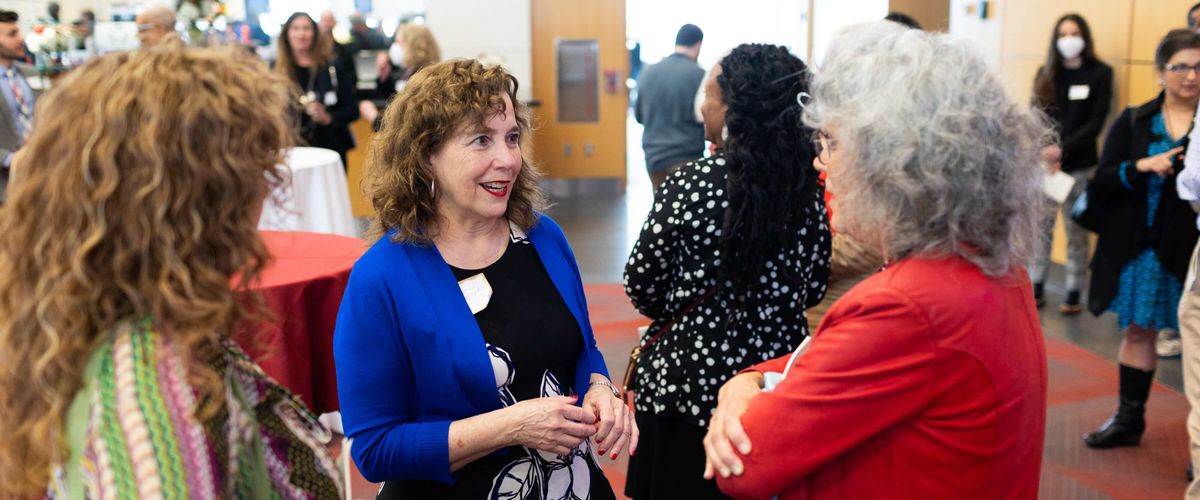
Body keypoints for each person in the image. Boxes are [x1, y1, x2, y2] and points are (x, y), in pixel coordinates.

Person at [704, 22, 1049, 499]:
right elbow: (829, 359)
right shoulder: (989, 265)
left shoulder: (909, 304)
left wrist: (739, 391)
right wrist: (752, 378)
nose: (820, 162)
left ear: (894, 164)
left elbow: (743, 465)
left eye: (833, 142)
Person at [0, 46, 343, 499]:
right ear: (197, 199)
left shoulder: (107, 319)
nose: (266, 189)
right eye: (251, 170)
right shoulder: (152, 394)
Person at [334, 59, 633, 498]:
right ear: (426, 157)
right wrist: (512, 426)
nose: (508, 159)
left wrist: (600, 387)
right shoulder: (382, 278)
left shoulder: (542, 238)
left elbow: (582, 346)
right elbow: (376, 448)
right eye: (481, 141)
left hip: (569, 484)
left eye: (512, 138)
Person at [623, 43, 830, 500]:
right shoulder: (806, 192)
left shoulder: (688, 184)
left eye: (711, 93)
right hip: (771, 391)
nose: (702, 104)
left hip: (681, 387)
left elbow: (642, 284)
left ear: (735, 108)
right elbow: (814, 285)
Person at [1082, 29, 1200, 449]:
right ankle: (1129, 420)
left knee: (1196, 347)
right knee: (1138, 332)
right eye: (1180, 66)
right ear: (1160, 71)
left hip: (1192, 250)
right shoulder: (1136, 118)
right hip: (1143, 249)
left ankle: (1197, 444)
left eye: (1198, 66)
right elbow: (1105, 178)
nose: (1190, 76)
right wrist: (1144, 165)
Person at [1029, 14, 1113, 315]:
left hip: (1080, 165)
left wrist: (1062, 149)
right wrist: (1045, 151)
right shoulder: (1046, 74)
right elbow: (1035, 116)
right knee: (1041, 228)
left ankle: (1075, 290)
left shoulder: (1101, 74)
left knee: (1076, 230)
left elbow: (1096, 122)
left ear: (1085, 37)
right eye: (1063, 34)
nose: (1069, 39)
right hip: (1046, 167)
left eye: (1075, 32)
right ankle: (1036, 284)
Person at [276, 12, 360, 169]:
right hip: (291, 153)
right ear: (286, 34)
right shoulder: (276, 71)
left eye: (306, 28)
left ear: (315, 33)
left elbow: (353, 110)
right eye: (295, 28)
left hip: (330, 150)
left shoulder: (332, 68)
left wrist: (328, 118)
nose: (301, 34)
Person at [634, 24, 706, 190]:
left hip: (654, 159)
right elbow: (705, 116)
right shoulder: (699, 75)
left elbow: (639, 116)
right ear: (698, 45)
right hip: (687, 158)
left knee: (662, 210)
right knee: (687, 212)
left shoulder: (648, 72)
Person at [0, 9, 35, 204]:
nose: (20, 38)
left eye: (18, 32)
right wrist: (9, 159)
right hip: (4, 186)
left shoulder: (30, 74)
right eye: (12, 34)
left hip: (38, 181)